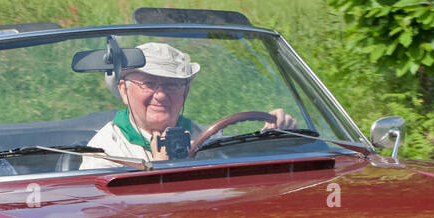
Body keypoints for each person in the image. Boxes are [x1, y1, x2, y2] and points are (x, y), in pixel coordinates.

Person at [81, 42, 298, 169]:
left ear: (186, 92)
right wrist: (160, 169)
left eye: (172, 85)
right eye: (148, 83)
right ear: (124, 90)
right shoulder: (103, 150)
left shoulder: (206, 136)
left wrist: (273, 139)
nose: (161, 94)